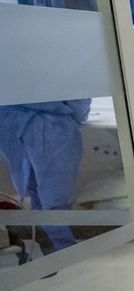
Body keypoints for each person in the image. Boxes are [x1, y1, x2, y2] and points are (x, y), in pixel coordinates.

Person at [0, 98, 90, 254]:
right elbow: (77, 93)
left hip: (8, 120)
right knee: (55, 191)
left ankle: (50, 240)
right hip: (48, 123)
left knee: (34, 185)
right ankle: (61, 245)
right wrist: (77, 116)